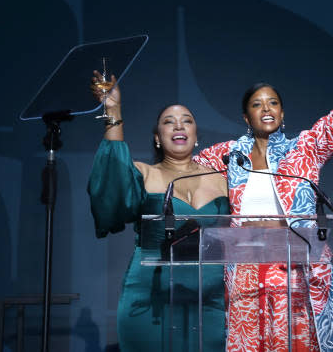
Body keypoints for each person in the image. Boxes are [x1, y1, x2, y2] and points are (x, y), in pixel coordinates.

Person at [192, 22, 333, 351]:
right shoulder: (231, 154)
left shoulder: (304, 148)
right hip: (244, 267)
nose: (266, 109)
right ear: (246, 117)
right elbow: (189, 167)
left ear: (282, 112)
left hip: (292, 264)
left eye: (273, 103)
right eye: (257, 104)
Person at [87, 72, 229, 351]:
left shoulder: (223, 179)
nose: (179, 125)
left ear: (196, 136)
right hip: (150, 298)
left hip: (208, 301)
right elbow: (111, 186)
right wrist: (113, 111)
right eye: (169, 121)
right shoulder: (142, 173)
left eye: (187, 121)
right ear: (157, 137)